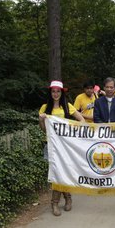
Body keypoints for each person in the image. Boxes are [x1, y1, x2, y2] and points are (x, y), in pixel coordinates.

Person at [39, 80, 85, 216]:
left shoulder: (67, 106)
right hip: (51, 145)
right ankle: (61, 201)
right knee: (56, 173)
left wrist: (71, 128)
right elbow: (43, 130)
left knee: (63, 172)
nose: (55, 94)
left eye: (58, 91)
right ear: (50, 92)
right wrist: (42, 120)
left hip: (65, 146)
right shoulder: (44, 108)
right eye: (53, 91)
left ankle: (62, 200)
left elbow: (81, 120)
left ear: (62, 93)